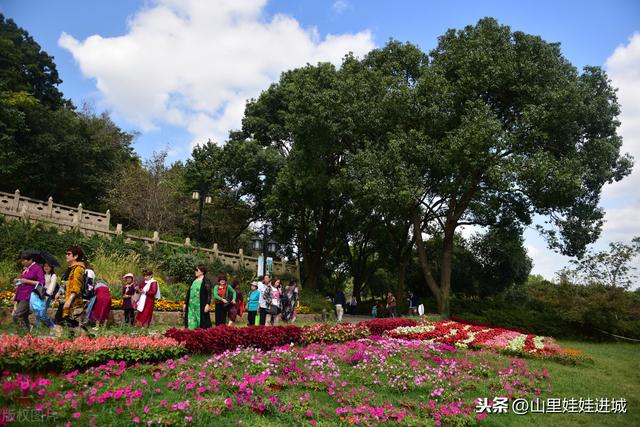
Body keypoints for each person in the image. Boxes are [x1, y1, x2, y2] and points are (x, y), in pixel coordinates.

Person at [12, 251, 46, 332]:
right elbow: (24, 280)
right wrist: (19, 280)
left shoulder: (37, 268)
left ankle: (24, 334)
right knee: (23, 317)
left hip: (29, 296)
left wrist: (27, 281)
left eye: (25, 260)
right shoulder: (27, 269)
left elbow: (41, 282)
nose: (22, 262)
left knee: (17, 316)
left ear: (30, 260)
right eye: (22, 260)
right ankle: (27, 338)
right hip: (21, 295)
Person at [183, 264, 212, 330]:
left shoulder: (206, 281)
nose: (195, 271)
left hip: (200, 306)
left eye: (196, 270)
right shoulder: (194, 280)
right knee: (190, 321)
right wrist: (185, 303)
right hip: (191, 306)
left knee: (202, 322)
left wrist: (208, 304)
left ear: (202, 271)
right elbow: (188, 293)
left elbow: (209, 294)